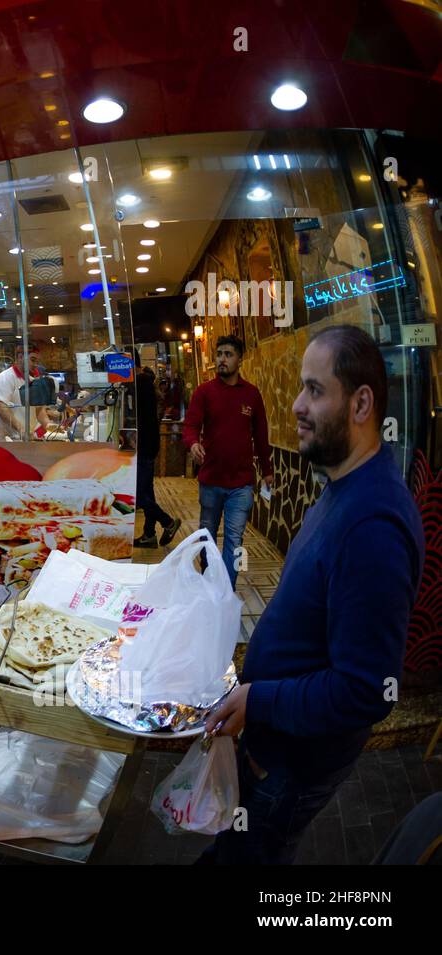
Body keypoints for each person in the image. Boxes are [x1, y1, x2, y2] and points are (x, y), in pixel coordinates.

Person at [200, 325, 424, 865]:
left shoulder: (374, 524)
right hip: (271, 750)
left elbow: (368, 691)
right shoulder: (342, 486)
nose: (296, 404)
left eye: (315, 390)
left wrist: (260, 700)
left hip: (290, 767)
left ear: (361, 402)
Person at [182, 335, 273, 589]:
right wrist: (193, 444)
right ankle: (208, 583)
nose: (222, 359)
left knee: (234, 539)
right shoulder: (204, 392)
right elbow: (190, 426)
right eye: (219, 353)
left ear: (239, 359)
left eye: (228, 354)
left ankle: (226, 591)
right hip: (210, 481)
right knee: (207, 538)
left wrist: (267, 470)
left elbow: (261, 435)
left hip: (241, 484)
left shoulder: (252, 395)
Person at [133, 355, 180, 548]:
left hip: (144, 445)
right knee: (147, 491)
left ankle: (167, 522)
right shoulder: (144, 381)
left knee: (138, 494)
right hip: (148, 444)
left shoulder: (140, 382)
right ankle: (149, 534)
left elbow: (140, 418)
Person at [0, 346, 29, 441]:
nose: (36, 364)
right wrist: (22, 430)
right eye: (33, 359)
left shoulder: (30, 379)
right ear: (20, 357)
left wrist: (47, 424)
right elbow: (1, 408)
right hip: (7, 440)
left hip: (23, 439)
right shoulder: (5, 378)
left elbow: (38, 409)